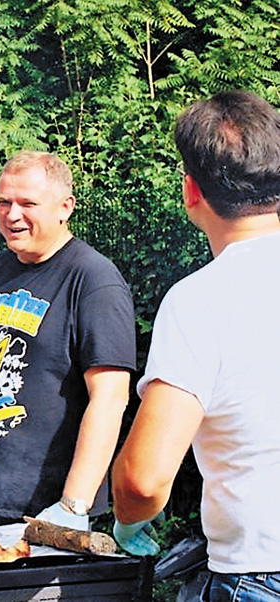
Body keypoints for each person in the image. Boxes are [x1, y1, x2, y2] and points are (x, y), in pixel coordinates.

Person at [112, 90, 280, 600]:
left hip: (259, 573)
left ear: (191, 192)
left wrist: (127, 520)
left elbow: (143, 480)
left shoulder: (201, 301)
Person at [0, 151, 136, 531]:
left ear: (65, 207)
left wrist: (73, 506)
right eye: (4, 202)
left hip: (42, 513)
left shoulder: (92, 281)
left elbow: (110, 399)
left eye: (28, 203)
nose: (12, 215)